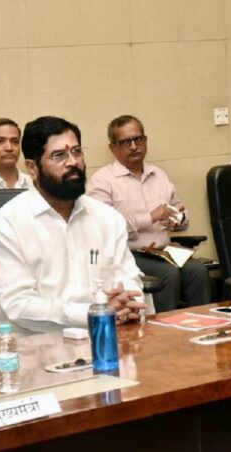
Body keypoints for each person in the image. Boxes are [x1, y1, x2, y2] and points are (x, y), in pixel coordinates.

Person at [0, 116, 144, 333]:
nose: (73, 162)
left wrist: (129, 304)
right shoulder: (6, 224)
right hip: (36, 348)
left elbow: (129, 280)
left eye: (77, 151)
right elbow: (18, 306)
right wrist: (93, 312)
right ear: (33, 168)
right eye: (59, 155)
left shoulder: (107, 218)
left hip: (107, 336)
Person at [87, 115, 211, 312]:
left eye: (139, 139)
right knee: (168, 274)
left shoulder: (159, 175)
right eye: (126, 142)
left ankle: (203, 328)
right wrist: (150, 217)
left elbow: (180, 212)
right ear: (113, 147)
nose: (134, 146)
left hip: (163, 250)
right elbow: (103, 229)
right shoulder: (102, 181)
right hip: (130, 253)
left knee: (198, 270)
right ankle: (162, 335)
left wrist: (178, 220)